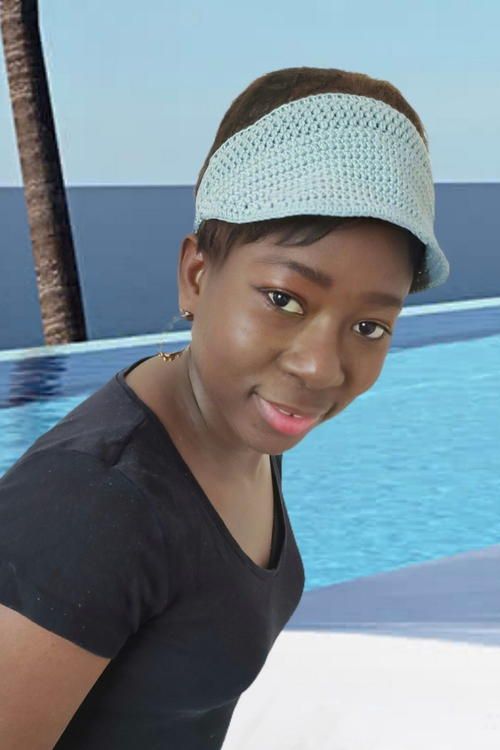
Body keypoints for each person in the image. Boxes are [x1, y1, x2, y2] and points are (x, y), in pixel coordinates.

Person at [0, 66, 450, 749]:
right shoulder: (92, 505)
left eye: (369, 326)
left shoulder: (242, 432)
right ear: (197, 274)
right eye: (284, 299)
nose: (320, 368)